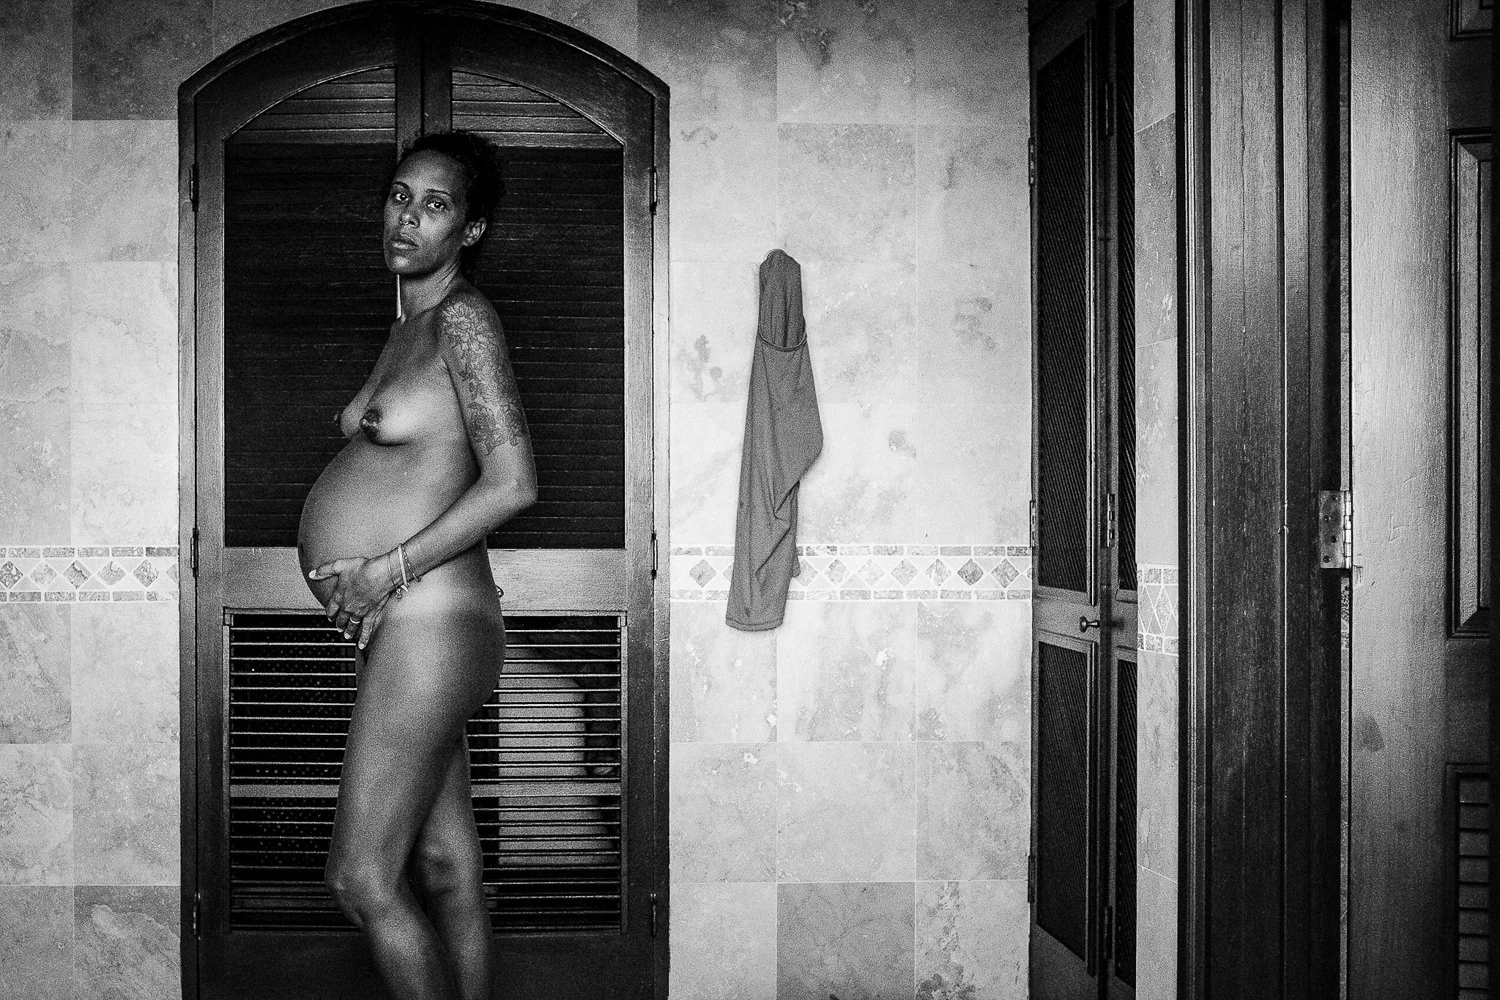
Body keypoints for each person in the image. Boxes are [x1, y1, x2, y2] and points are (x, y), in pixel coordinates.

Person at [296, 129, 536, 1000]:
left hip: (431, 620)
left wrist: (383, 572)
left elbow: (513, 482)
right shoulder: (409, 324)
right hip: (408, 627)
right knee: (442, 864)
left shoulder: (462, 320)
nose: (408, 217)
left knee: (361, 879)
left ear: (469, 230)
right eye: (400, 196)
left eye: (436, 205)